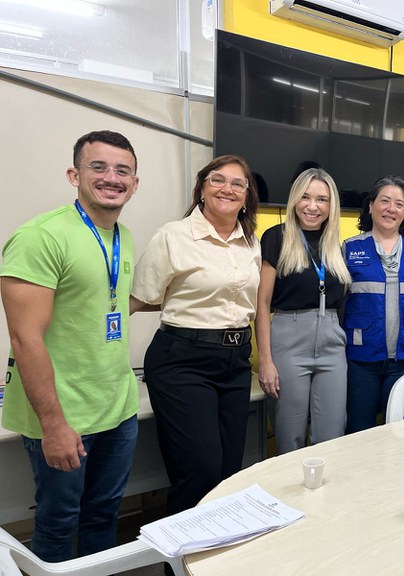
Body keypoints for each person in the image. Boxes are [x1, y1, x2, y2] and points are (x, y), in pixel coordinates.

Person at [0, 130, 140, 561]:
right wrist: (53, 425)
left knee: (103, 514)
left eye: (123, 170)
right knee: (59, 520)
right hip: (63, 415)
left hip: (117, 408)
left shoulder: (123, 236)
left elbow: (109, 304)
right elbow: (25, 339)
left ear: (135, 183)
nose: (111, 177)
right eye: (98, 167)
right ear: (74, 174)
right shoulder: (40, 237)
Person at [131, 154, 261, 515]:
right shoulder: (174, 235)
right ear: (202, 188)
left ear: (247, 195)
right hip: (183, 361)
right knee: (199, 471)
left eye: (238, 183)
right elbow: (139, 299)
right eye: (218, 179)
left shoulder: (249, 242)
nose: (228, 188)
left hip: (235, 362)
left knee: (228, 472)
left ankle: (218, 558)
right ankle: (180, 564)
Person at [256, 168, 351, 454]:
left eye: (322, 199)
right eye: (305, 197)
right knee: (290, 437)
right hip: (288, 340)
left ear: (330, 205)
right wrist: (266, 361)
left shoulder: (336, 243)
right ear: (295, 200)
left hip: (332, 344)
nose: (313, 206)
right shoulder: (276, 237)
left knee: (332, 436)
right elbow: (261, 303)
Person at [343, 176, 404, 433]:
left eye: (399, 204)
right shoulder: (350, 249)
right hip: (362, 359)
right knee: (359, 430)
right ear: (371, 206)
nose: (391, 209)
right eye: (384, 201)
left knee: (400, 430)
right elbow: (338, 302)